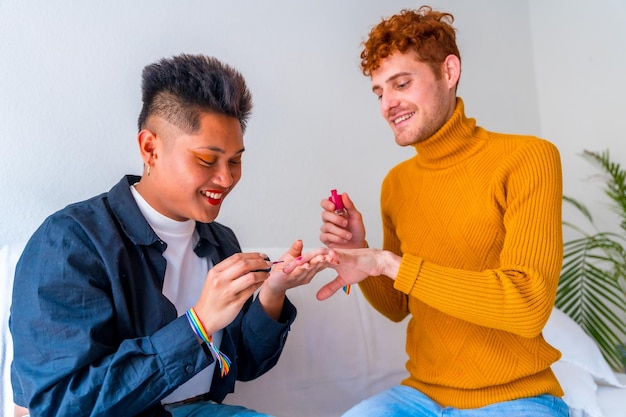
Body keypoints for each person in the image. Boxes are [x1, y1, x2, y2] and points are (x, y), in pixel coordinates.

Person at [10, 53, 326, 417]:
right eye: (207, 160)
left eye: (235, 160)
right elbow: (63, 405)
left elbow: (242, 366)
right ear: (150, 149)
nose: (226, 179)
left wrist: (273, 291)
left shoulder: (220, 241)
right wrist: (199, 324)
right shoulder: (69, 243)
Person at [308, 5, 568, 417]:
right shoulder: (397, 184)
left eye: (401, 83)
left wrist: (389, 262)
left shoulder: (528, 158)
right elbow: (398, 307)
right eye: (379, 91)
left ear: (449, 72)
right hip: (419, 398)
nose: (387, 105)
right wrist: (363, 251)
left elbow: (527, 305)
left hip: (517, 398)